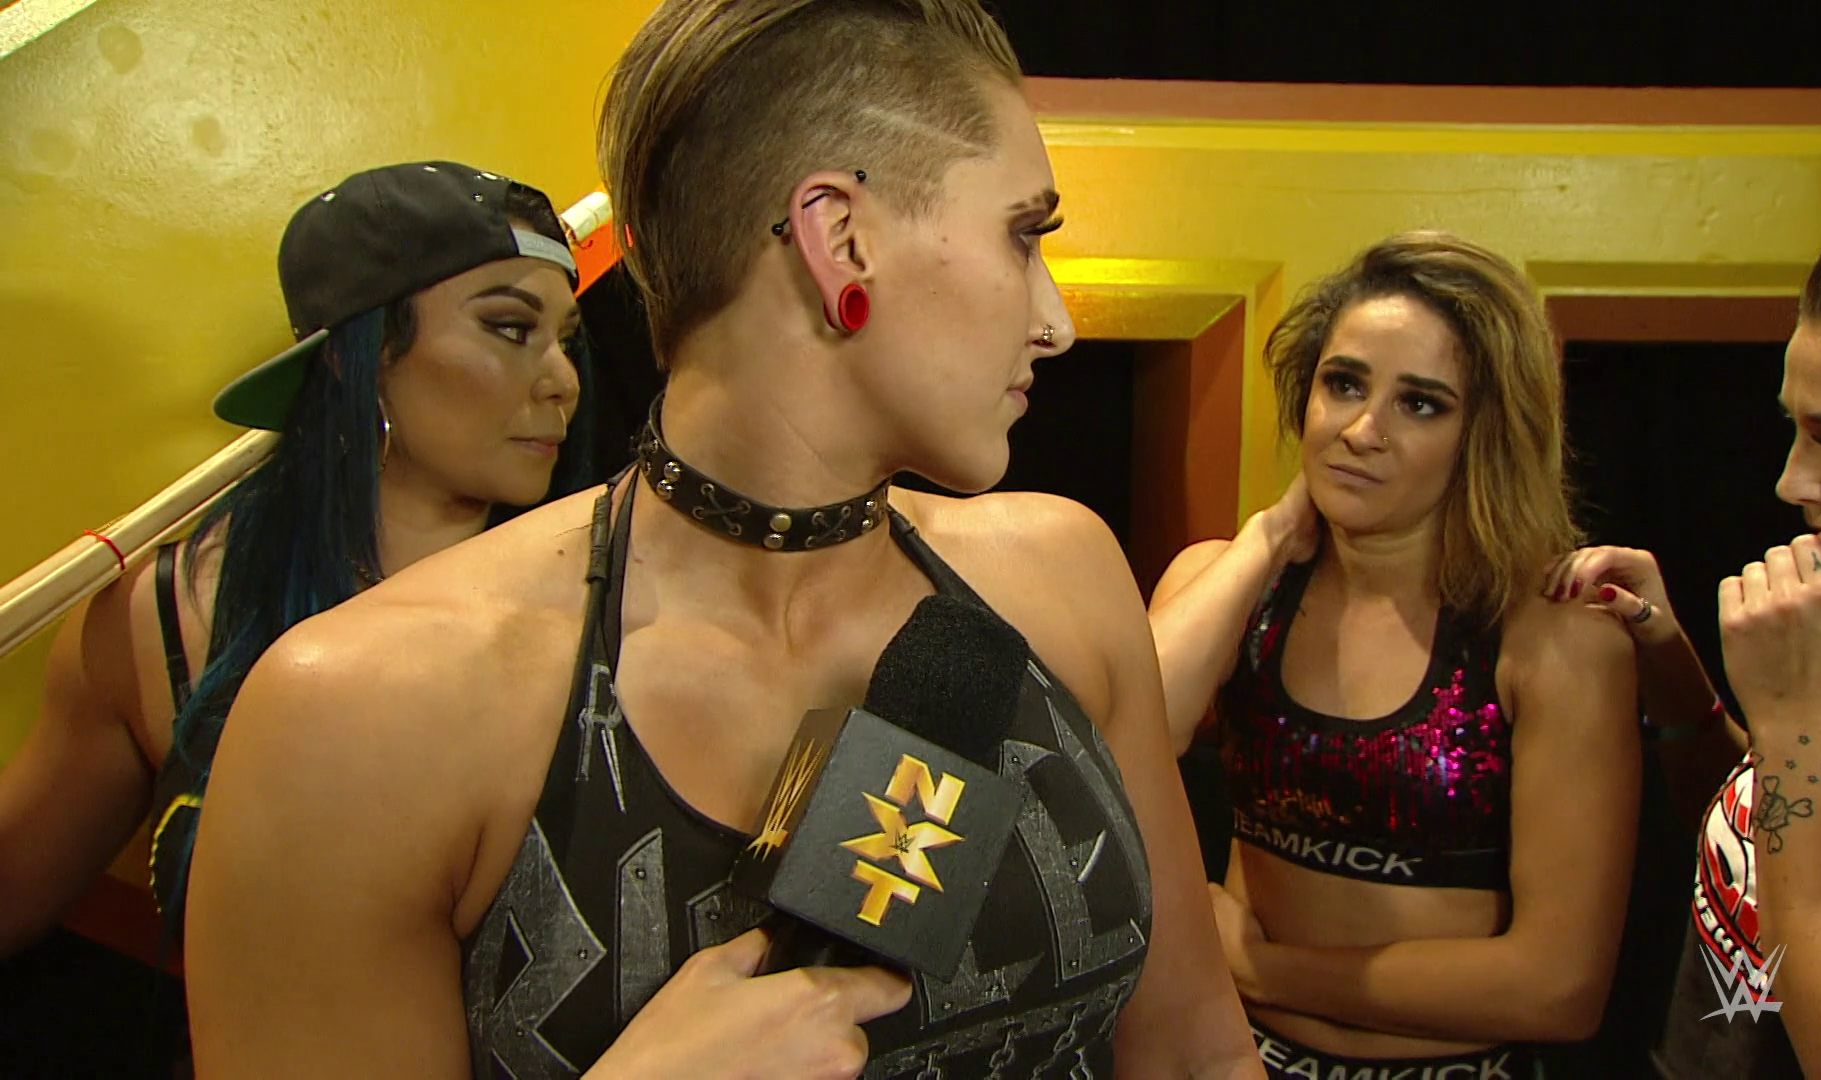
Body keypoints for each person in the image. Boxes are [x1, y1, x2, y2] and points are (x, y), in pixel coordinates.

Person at [182, 3, 1264, 1078]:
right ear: (840, 238)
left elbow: (1195, 1053)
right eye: (1024, 235)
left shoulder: (1060, 575)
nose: (1056, 320)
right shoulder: (362, 718)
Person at [0, 160, 593, 959]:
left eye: (565, 340)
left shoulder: (609, 602)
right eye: (511, 329)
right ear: (360, 354)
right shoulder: (162, 624)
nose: (562, 381)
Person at [1151, 232, 1641, 1078]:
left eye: (1420, 404)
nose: (1362, 430)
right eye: (1343, 385)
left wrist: (1260, 969)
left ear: (1483, 435)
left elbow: (1558, 989)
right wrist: (1268, 537)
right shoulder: (1227, 583)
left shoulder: (1556, 638)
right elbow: (1113, 753)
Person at [1552, 206, 1821, 1080]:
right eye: (1796, 429)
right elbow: (1775, 843)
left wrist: (1792, 724)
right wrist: (1671, 667)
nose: (1793, 482)